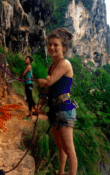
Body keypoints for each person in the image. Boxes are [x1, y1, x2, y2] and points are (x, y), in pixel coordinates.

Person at [36, 28, 77, 175]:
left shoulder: (64, 64)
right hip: (54, 110)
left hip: (65, 110)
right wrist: (41, 102)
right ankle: (61, 172)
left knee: (69, 149)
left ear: (64, 48)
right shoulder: (52, 66)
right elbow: (48, 90)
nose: (51, 47)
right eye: (50, 44)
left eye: (56, 45)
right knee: (60, 147)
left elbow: (49, 81)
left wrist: (41, 81)